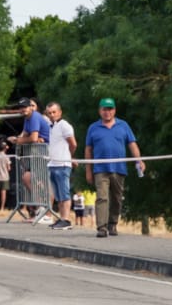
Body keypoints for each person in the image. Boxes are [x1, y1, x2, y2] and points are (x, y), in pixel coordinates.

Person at [84, 97, 144, 238]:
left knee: (117, 198)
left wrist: (139, 160)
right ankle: (101, 227)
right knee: (102, 197)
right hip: (100, 169)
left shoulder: (123, 126)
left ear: (114, 110)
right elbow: (88, 149)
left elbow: (132, 144)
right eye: (104, 109)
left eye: (110, 109)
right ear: (100, 111)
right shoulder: (93, 128)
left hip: (119, 168)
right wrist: (88, 170)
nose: (107, 112)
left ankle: (112, 223)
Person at [44, 101, 77, 230]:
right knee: (58, 194)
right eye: (49, 113)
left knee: (64, 192)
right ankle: (61, 218)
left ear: (60, 112)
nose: (52, 115)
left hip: (62, 163)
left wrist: (68, 156)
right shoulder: (51, 126)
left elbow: (73, 144)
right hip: (53, 163)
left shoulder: (64, 125)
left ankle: (66, 219)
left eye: (54, 112)